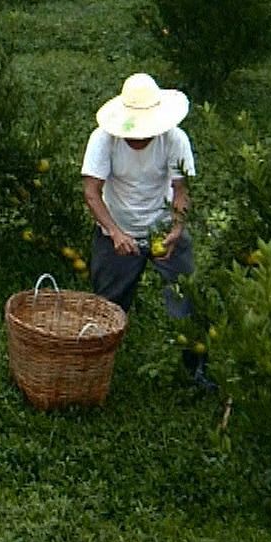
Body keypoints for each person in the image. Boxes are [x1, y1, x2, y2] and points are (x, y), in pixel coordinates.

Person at [80, 73, 213, 392]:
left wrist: (177, 229)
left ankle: (197, 369)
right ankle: (93, 371)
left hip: (161, 226)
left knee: (186, 299)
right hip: (117, 228)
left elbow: (180, 191)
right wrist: (114, 232)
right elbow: (91, 192)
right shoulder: (103, 139)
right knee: (108, 304)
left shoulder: (175, 139)